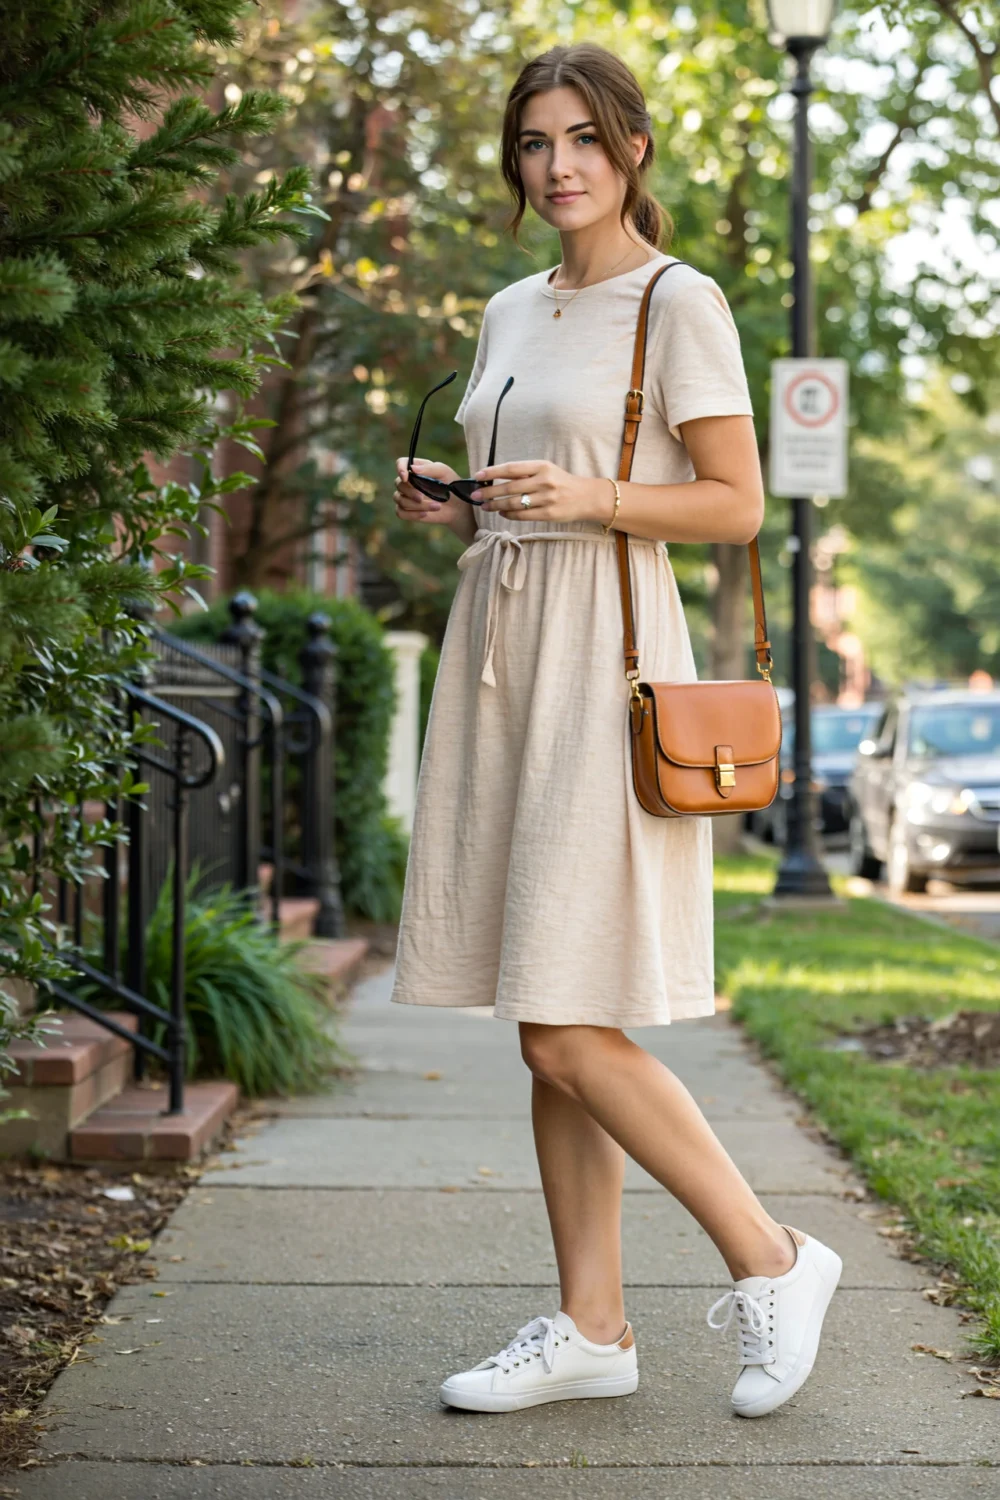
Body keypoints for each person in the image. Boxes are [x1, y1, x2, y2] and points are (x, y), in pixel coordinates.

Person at [390, 41, 841, 1419]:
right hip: (501, 641)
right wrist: (459, 498)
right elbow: (530, 473)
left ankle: (773, 1259)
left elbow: (738, 505)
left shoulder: (678, 298)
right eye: (534, 142)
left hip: (607, 650)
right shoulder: (508, 308)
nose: (559, 164)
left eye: (584, 136)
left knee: (566, 1025)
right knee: (546, 996)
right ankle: (594, 1327)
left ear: (631, 146)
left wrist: (588, 502)